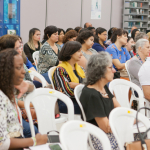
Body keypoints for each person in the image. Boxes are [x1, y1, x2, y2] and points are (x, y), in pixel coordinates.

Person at [0, 49, 47, 150]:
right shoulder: (1, 98)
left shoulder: (7, 87)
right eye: (18, 67)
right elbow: (2, 143)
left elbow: (31, 87)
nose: (24, 71)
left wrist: (25, 85)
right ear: (5, 70)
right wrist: (34, 141)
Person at [0, 34, 40, 137]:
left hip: (21, 102)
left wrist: (26, 85)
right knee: (32, 130)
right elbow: (10, 102)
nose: (20, 49)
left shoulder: (19, 60)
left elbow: (30, 84)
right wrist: (29, 105)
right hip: (14, 108)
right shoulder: (5, 70)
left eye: (20, 46)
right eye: (17, 47)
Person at [80, 52, 120, 150]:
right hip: (101, 138)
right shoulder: (92, 94)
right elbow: (106, 127)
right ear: (100, 71)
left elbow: (119, 108)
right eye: (110, 68)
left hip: (113, 132)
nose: (114, 70)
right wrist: (123, 120)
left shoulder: (103, 87)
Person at [52, 41, 85, 114]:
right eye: (78, 51)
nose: (81, 54)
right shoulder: (60, 70)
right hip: (67, 103)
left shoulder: (80, 69)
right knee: (96, 107)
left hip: (81, 100)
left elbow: (90, 85)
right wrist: (85, 89)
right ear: (70, 52)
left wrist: (77, 86)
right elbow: (66, 91)